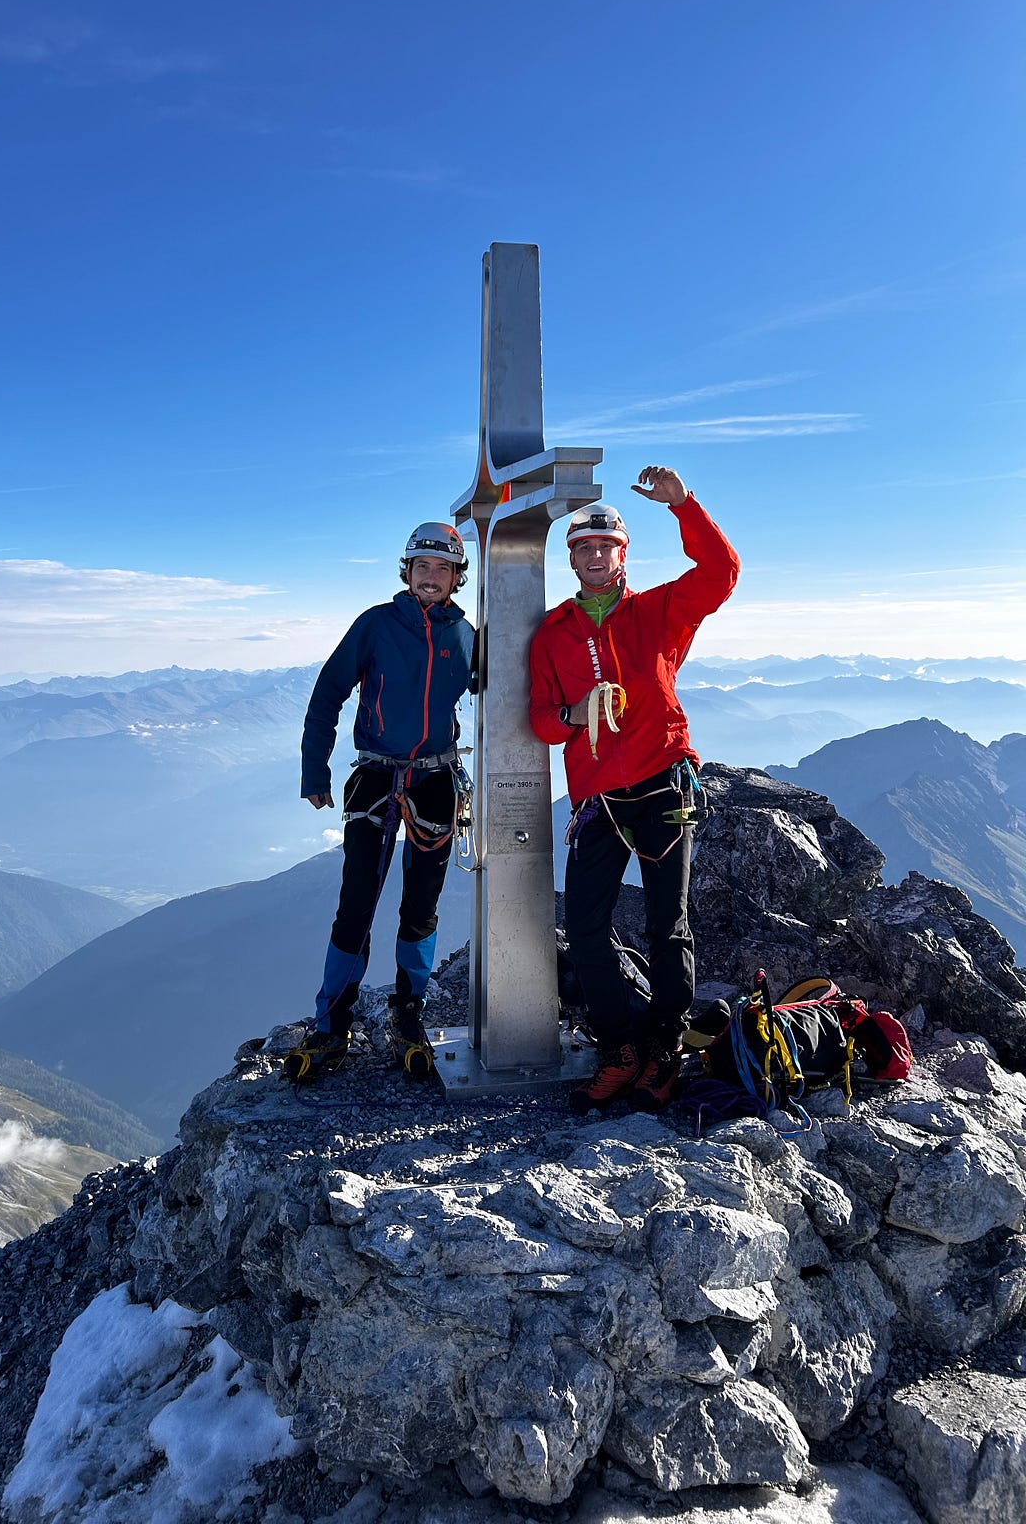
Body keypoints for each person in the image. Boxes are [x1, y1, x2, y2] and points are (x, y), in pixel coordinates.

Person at [529, 466, 740, 1114]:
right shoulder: (554, 633)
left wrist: (685, 504)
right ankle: (619, 1048)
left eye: (606, 547)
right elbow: (540, 717)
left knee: (665, 926)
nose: (595, 556)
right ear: (572, 559)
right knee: (586, 928)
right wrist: (574, 715)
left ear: (623, 555)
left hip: (662, 787)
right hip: (599, 801)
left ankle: (663, 1052)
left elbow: (721, 574)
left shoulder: (659, 612)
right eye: (584, 548)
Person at [288, 522, 477, 1081]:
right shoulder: (376, 625)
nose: (431, 577)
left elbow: (497, 693)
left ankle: (408, 1015)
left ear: (455, 578)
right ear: (407, 571)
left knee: (420, 906)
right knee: (356, 904)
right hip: (376, 778)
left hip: (436, 781)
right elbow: (328, 693)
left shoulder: (464, 635)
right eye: (423, 567)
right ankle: (331, 1024)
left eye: (442, 569)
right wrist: (313, 770)